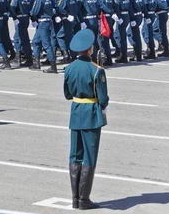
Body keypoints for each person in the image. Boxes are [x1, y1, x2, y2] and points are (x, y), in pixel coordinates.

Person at [64, 29, 109, 210]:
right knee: (89, 156)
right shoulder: (96, 70)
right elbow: (104, 98)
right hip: (91, 113)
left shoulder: (69, 68)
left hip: (76, 111)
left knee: (75, 155)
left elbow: (67, 94)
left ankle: (75, 198)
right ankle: (84, 200)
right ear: (90, 49)